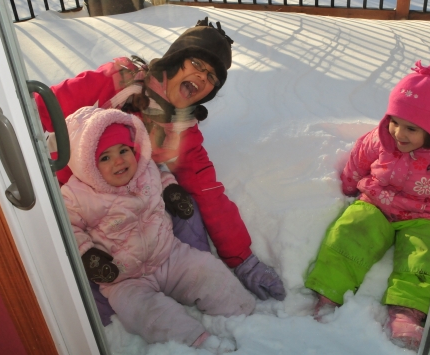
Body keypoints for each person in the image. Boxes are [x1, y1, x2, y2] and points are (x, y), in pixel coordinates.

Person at [34, 18, 285, 325]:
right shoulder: (118, 82)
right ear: (175, 60)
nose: (202, 77)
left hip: (130, 219)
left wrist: (243, 258)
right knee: (92, 297)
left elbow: (208, 192)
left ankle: (187, 277)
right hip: (73, 207)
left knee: (188, 210)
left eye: (211, 77)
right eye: (197, 63)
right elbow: (40, 108)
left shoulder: (182, 131)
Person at [304, 60, 430, 351]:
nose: (399, 134)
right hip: (377, 203)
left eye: (411, 129)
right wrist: (349, 185)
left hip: (426, 216)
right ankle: (330, 289)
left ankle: (408, 311)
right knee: (350, 231)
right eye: (394, 121)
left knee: (426, 254)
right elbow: (358, 160)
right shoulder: (381, 139)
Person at [62, 106, 255, 348]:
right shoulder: (77, 196)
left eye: (123, 150)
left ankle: (245, 315)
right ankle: (195, 341)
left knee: (207, 271)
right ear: (88, 166)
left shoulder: (145, 169)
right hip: (123, 279)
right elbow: (68, 226)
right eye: (105, 157)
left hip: (169, 255)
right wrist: (87, 254)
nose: (119, 161)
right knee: (144, 312)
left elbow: (161, 178)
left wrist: (171, 190)